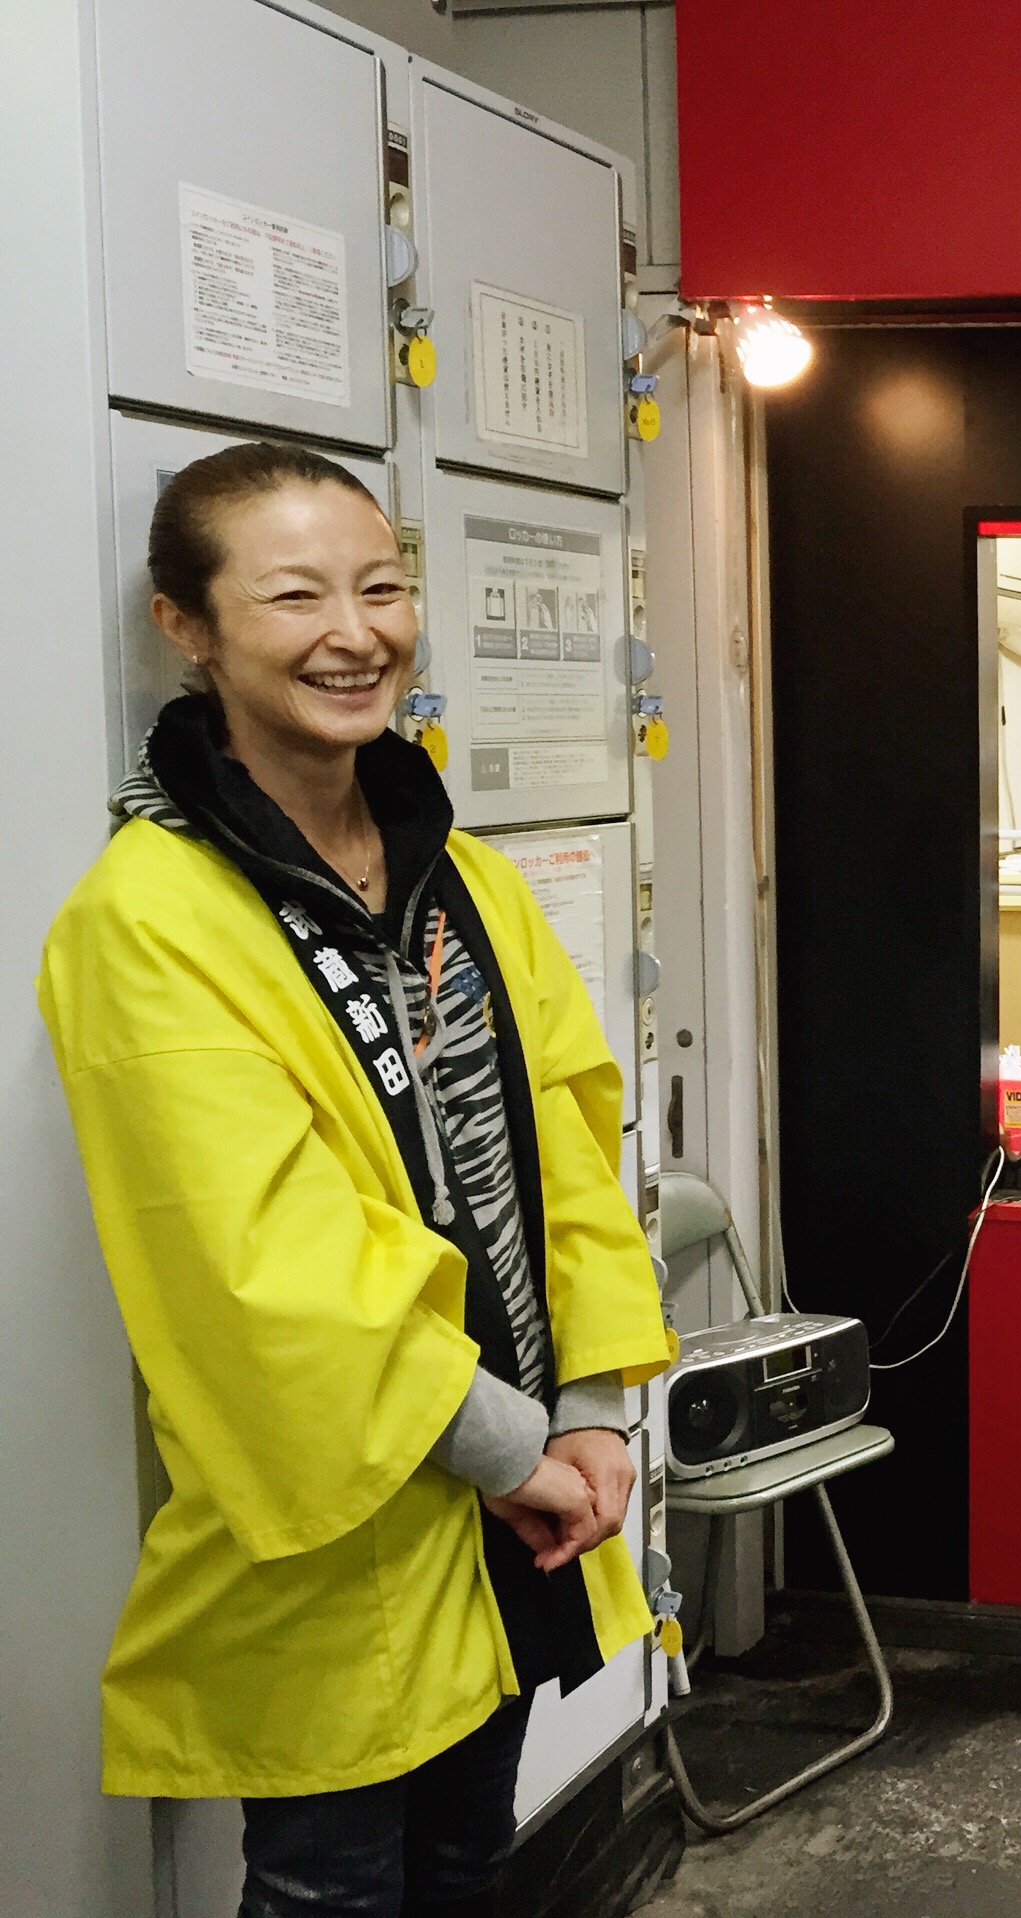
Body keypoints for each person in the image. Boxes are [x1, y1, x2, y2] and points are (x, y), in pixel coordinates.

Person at [38, 443, 675, 1918]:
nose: (356, 630)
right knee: (327, 1891)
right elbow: (258, 1263)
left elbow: (572, 1139)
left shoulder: (464, 874)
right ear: (185, 626)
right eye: (296, 594)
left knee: (468, 1868)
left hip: (521, 1506)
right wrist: (514, 1449)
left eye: (383, 587)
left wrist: (586, 1414)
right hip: (350, 1537)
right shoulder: (149, 917)